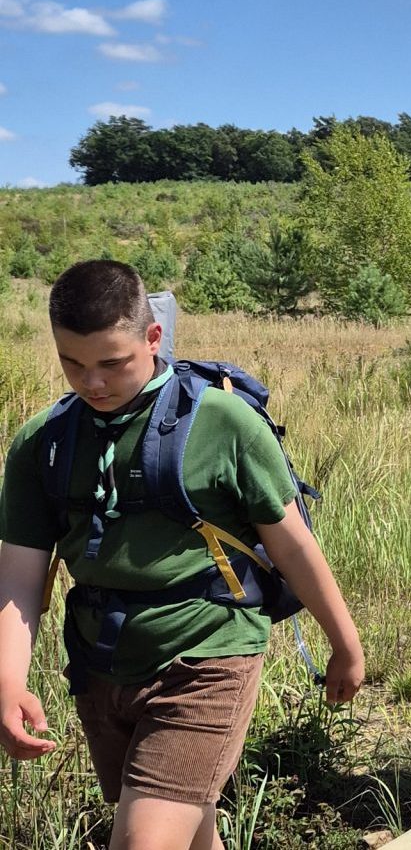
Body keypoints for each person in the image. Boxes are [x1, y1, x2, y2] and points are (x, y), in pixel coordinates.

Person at [0, 260, 365, 848]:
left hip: (209, 652)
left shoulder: (224, 423)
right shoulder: (41, 442)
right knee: (191, 831)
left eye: (112, 363)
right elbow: (19, 577)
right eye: (73, 363)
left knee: (144, 840)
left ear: (153, 338)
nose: (92, 383)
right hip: (102, 663)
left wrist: (344, 644)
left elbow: (293, 543)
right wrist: (7, 678)